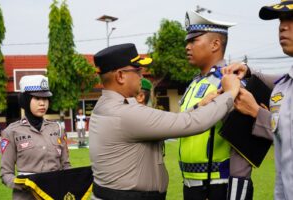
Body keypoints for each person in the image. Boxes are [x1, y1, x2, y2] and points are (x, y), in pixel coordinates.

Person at [89, 43, 240, 200]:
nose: (142, 76)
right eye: (137, 70)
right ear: (120, 76)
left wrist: (199, 105)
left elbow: (170, 122)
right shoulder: (125, 114)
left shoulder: (105, 107)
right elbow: (192, 123)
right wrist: (230, 93)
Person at [222, 1, 293, 199]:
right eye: (281, 20)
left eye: (291, 19)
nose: (283, 26)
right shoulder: (285, 84)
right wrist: (248, 71)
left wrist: (256, 112)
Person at [179, 10, 244, 200]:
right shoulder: (195, 83)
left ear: (215, 44)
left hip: (216, 184)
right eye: (187, 42)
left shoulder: (228, 81)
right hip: (190, 182)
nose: (187, 47)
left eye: (193, 41)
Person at [0, 75, 70, 200]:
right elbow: (6, 174)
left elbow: (66, 166)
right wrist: (25, 184)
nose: (42, 103)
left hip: (55, 196)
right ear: (25, 100)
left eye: (46, 98)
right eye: (37, 98)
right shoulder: (11, 132)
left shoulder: (57, 129)